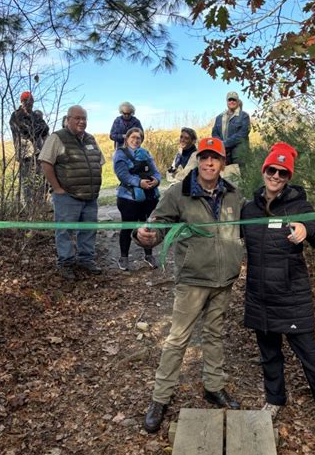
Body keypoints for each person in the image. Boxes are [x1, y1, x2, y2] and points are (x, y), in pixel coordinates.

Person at [136, 137, 245, 433]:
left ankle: (214, 386)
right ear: (198, 160)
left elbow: (250, 225)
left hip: (224, 279)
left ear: (222, 163)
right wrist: (146, 236)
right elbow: (156, 224)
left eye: (215, 158)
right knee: (178, 338)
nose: (209, 163)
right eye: (205, 157)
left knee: (214, 334)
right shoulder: (178, 193)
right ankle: (160, 398)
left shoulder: (233, 194)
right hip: (193, 279)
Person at [241, 142, 315, 437]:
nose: (275, 176)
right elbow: (227, 233)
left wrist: (306, 229)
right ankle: (274, 400)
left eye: (282, 172)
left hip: (291, 295)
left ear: (288, 177)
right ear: (264, 170)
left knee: (310, 356)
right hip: (260, 294)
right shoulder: (249, 208)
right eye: (271, 169)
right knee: (269, 354)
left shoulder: (299, 205)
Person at [38, 105, 104, 280]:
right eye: (77, 118)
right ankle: (65, 263)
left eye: (84, 118)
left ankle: (86, 260)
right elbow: (45, 163)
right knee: (65, 231)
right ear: (68, 120)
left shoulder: (91, 139)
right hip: (67, 195)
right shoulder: (57, 138)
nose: (81, 121)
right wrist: (57, 188)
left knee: (89, 229)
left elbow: (99, 161)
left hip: (90, 196)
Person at [113, 127, 161, 270]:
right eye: (132, 137)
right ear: (127, 139)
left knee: (147, 225)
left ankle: (148, 255)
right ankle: (124, 257)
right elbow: (122, 174)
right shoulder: (120, 154)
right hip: (128, 198)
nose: (135, 140)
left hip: (148, 196)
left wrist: (156, 181)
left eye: (138, 138)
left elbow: (156, 172)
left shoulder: (146, 153)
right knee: (127, 227)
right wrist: (138, 183)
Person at [9, 91, 50, 204]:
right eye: (26, 101)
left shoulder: (36, 115)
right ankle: (28, 206)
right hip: (25, 154)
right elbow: (25, 131)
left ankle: (40, 204)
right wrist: (37, 130)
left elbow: (45, 128)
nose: (29, 103)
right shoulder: (16, 115)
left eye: (31, 101)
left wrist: (36, 130)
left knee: (41, 179)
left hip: (38, 153)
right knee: (26, 181)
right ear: (22, 101)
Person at [212, 92, 250, 167]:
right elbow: (214, 133)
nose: (232, 101)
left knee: (240, 176)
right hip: (223, 152)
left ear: (238, 102)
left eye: (234, 100)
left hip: (239, 154)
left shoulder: (244, 116)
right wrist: (220, 144)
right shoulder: (219, 117)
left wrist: (224, 143)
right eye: (230, 100)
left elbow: (242, 134)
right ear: (227, 102)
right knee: (224, 176)